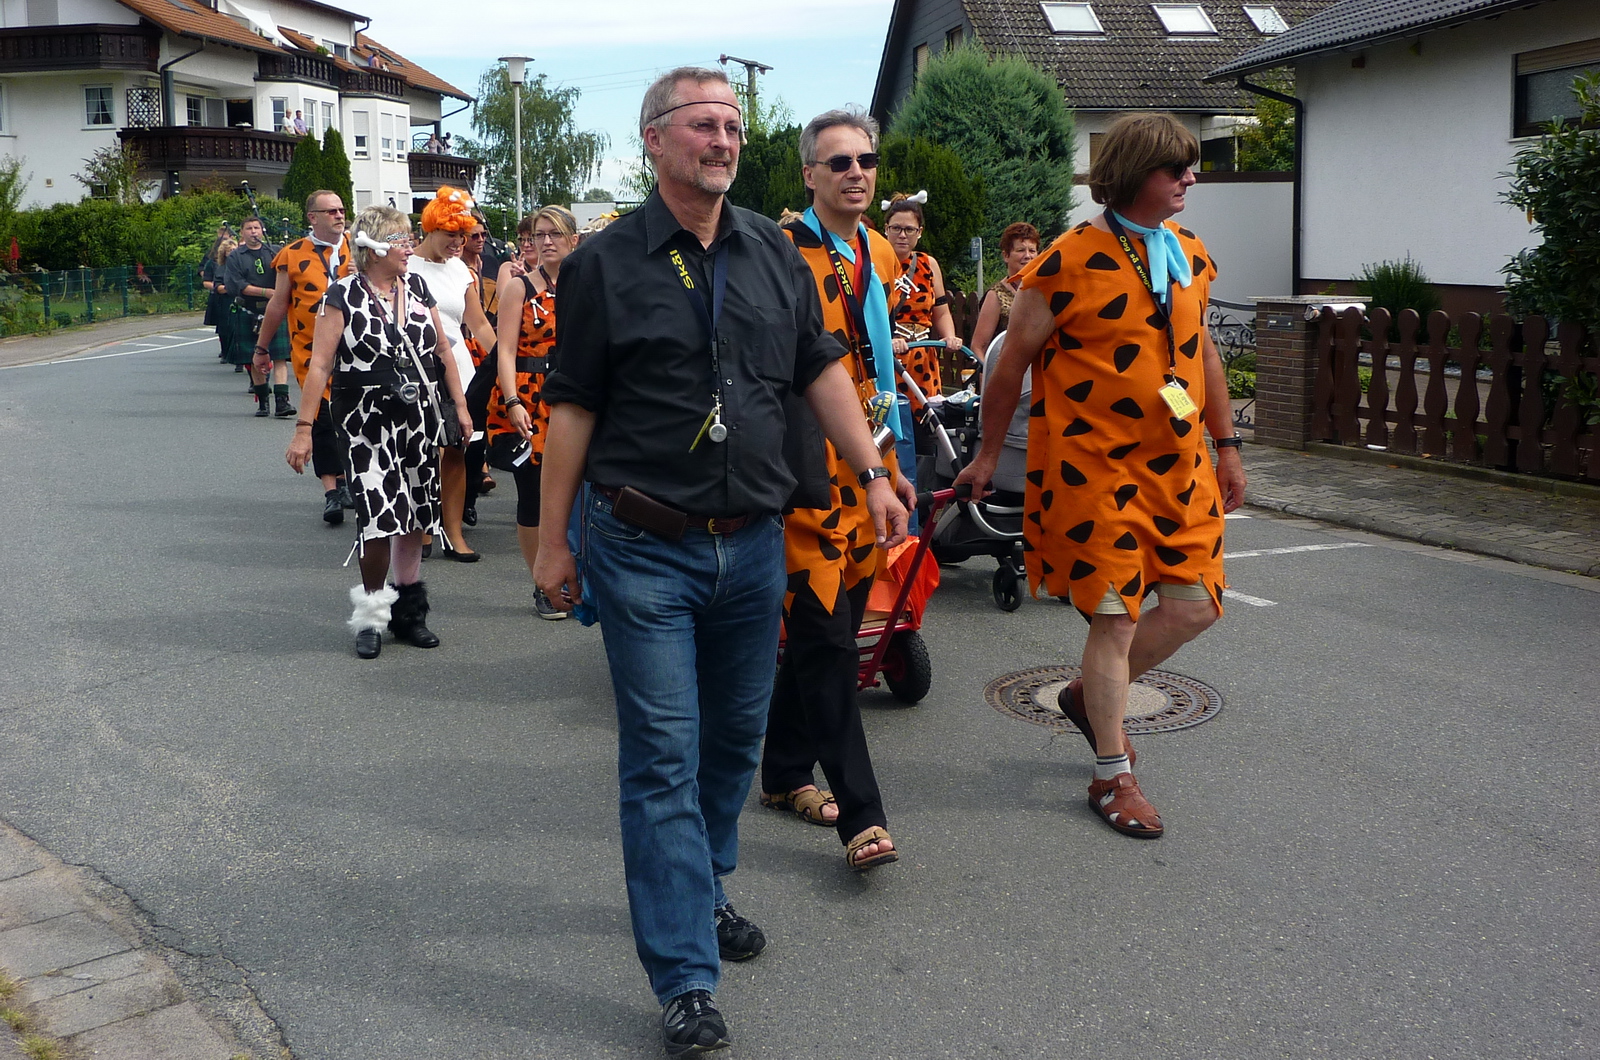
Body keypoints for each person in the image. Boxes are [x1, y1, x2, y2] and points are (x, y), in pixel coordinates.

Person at [534, 67, 907, 1056]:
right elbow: (571, 405)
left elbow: (819, 365)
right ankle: (685, 976)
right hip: (642, 545)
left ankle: (702, 888)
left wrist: (872, 470)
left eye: (733, 125)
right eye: (703, 124)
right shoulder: (603, 263)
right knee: (663, 754)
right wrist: (551, 540)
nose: (724, 139)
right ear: (655, 139)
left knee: (734, 744)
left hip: (751, 544)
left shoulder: (771, 250)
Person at [953, 113, 1247, 840]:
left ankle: (1088, 696)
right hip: (1093, 469)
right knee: (1115, 615)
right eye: (1175, 168)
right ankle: (1112, 774)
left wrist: (1227, 443)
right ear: (1135, 173)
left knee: (1197, 606)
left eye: (1190, 166)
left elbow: (1203, 352)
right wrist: (986, 455)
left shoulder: (1189, 253)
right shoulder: (1066, 260)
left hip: (1179, 466)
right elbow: (1009, 365)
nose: (1190, 178)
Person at [764, 107, 916, 874]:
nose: (857, 172)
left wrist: (890, 464)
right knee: (827, 643)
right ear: (809, 176)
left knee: (831, 631)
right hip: (804, 478)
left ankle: (782, 770)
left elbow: (876, 370)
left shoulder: (876, 251)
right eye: (839, 162)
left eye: (866, 160)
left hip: (865, 472)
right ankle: (862, 814)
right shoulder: (782, 253)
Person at [285, 206, 473, 659]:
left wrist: (461, 408)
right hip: (365, 425)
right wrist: (304, 429)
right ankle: (371, 615)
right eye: (401, 240)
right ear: (373, 248)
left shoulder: (417, 287)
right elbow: (320, 366)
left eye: (409, 239)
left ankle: (410, 614)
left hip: (418, 419)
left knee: (415, 515)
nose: (409, 248)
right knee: (377, 518)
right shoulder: (342, 295)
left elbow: (442, 351)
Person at [487, 206, 578, 618]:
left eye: (554, 234)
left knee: (577, 493)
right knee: (533, 494)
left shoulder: (585, 284)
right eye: (539, 234)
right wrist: (512, 401)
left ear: (572, 239)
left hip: (572, 397)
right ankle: (542, 584)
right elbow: (504, 351)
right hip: (528, 395)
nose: (545, 242)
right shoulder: (519, 287)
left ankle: (574, 577)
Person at [255, 190, 356, 525]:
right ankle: (332, 491)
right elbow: (278, 304)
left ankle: (348, 479)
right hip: (311, 351)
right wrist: (261, 347)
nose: (339, 216)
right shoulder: (292, 254)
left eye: (341, 210)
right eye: (331, 211)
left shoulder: (360, 248)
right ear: (312, 217)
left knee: (352, 418)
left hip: (357, 348)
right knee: (323, 419)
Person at [408, 187, 498, 562]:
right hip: (415, 368)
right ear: (430, 228)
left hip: (458, 367)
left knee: (457, 450)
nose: (459, 242)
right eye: (451, 234)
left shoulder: (460, 269)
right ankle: (422, 527)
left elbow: (478, 323)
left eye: (463, 235)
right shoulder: (405, 265)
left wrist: (504, 361)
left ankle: (453, 531)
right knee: (419, 452)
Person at [882, 189, 960, 480]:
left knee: (929, 425)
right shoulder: (876, 262)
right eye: (896, 228)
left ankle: (926, 488)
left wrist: (949, 336)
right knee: (893, 425)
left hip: (923, 359)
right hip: (891, 359)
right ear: (886, 229)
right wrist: (888, 338)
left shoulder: (928, 264)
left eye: (909, 229)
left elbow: (941, 310)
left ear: (920, 232)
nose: (902, 235)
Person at [223, 218, 292, 417]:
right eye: (249, 228)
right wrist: (266, 292)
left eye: (257, 228)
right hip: (249, 310)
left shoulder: (275, 251)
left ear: (262, 231)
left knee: (279, 357)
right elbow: (237, 285)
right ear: (242, 232)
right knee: (253, 358)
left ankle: (282, 402)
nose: (253, 232)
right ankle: (263, 402)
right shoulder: (235, 257)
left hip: (275, 310)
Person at [969, 222, 1040, 366]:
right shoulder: (996, 295)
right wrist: (988, 373)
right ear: (1006, 256)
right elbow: (978, 347)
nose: (1027, 256)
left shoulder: (1043, 291)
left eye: (1032, 250)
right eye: (1021, 250)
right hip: (1006, 371)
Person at [201, 236, 236, 359]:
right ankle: (225, 351)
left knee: (236, 327)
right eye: (230, 250)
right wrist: (222, 288)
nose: (232, 253)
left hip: (238, 299)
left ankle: (237, 356)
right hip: (221, 299)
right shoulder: (215, 265)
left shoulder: (240, 264)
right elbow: (208, 282)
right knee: (224, 326)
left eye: (234, 250)